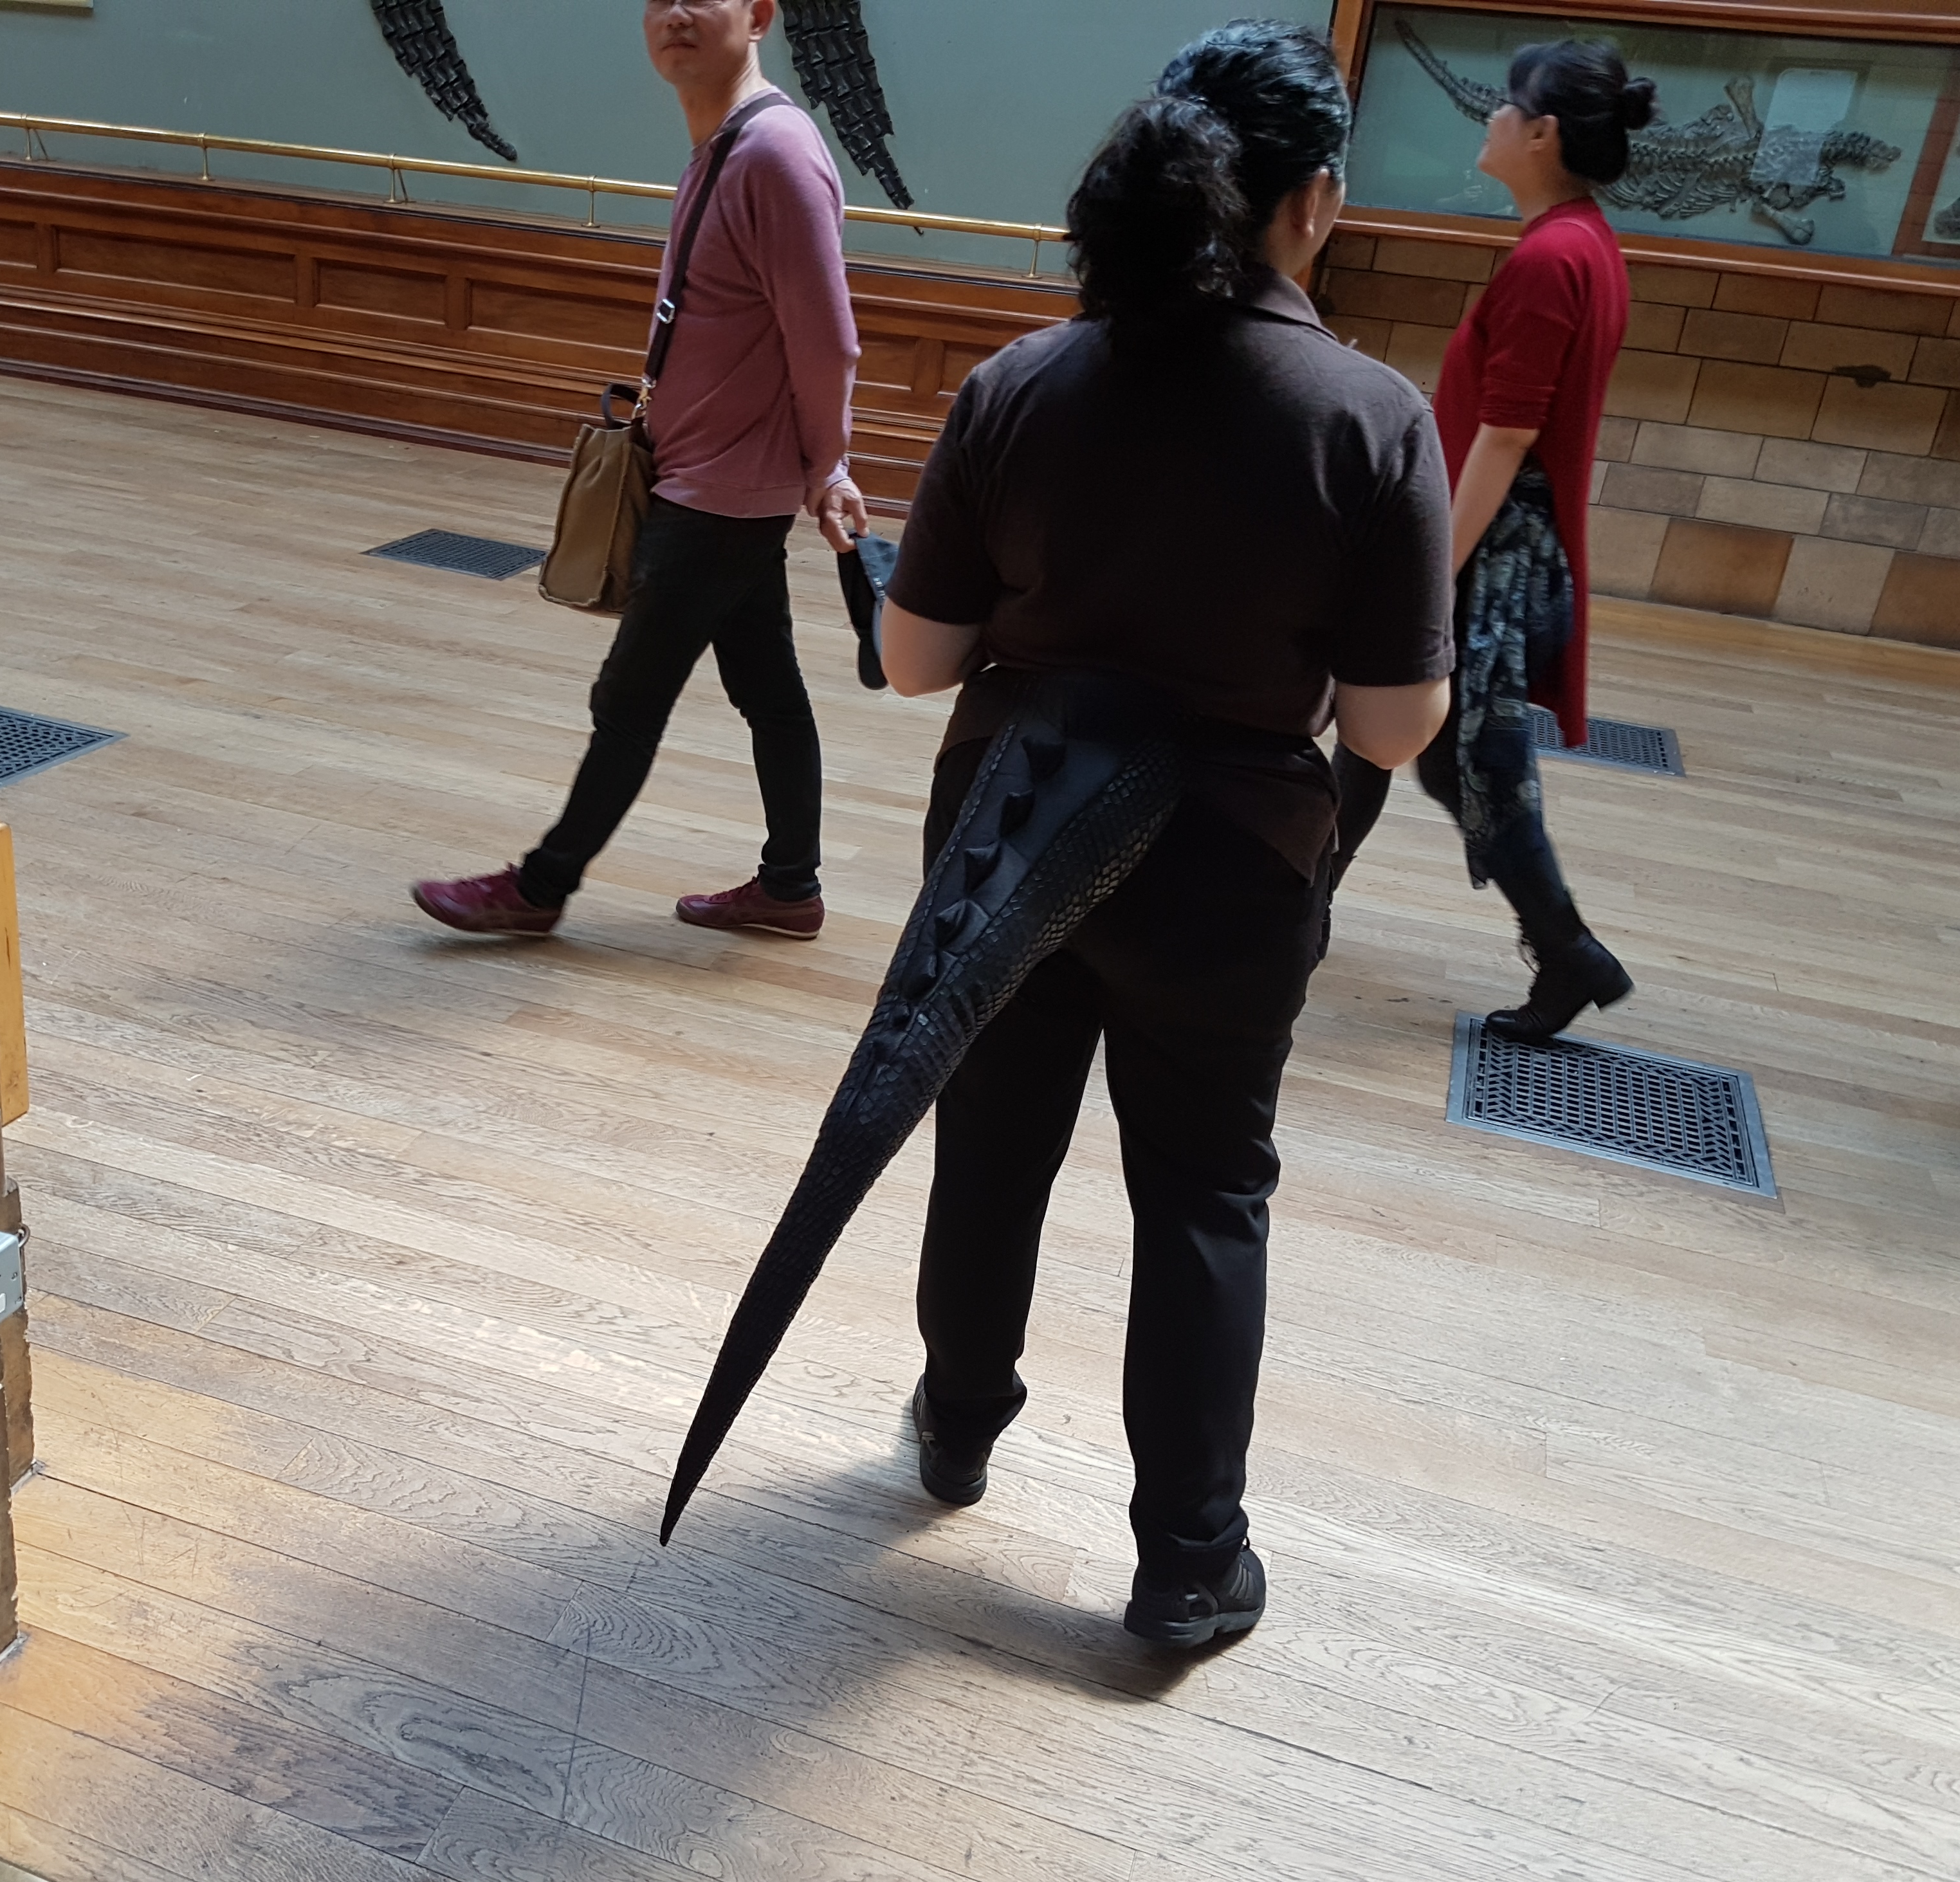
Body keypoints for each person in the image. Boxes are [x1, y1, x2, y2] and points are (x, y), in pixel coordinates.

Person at [876, 22, 1452, 1646]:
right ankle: (1190, 1563)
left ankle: (957, 1427)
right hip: (1230, 859)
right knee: (1204, 1189)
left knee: (991, 1141)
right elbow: (1393, 729)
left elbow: (915, 661)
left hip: (1011, 826)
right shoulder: (1370, 416)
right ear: (1315, 199)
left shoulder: (1022, 382)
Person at [412, 0, 865, 940]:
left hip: (721, 495)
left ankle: (541, 887)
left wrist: (829, 465)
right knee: (770, 692)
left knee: (630, 698)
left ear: (760, 14)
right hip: (712, 476)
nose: (676, 14)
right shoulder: (727, 143)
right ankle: (790, 888)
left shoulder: (774, 154)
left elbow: (827, 341)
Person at [1331, 41, 1656, 1041]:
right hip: (1510, 546)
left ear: (1544, 132)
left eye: (1506, 107)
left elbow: (1509, 436)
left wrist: (1432, 573)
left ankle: (1568, 950)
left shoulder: (1554, 256)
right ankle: (1295, 906)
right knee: (1410, 741)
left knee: (1444, 750)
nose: (1491, 119)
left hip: (1496, 552)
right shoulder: (1581, 242)